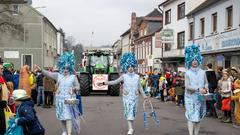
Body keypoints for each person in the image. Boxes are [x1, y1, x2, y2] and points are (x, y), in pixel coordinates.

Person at [98, 52, 149, 135]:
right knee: (128, 112)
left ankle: (131, 126)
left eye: (132, 66)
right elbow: (115, 82)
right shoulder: (124, 76)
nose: (130, 68)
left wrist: (144, 96)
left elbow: (140, 87)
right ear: (126, 67)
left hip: (135, 98)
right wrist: (104, 83)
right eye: (128, 67)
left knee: (132, 113)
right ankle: (130, 129)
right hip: (126, 98)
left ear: (134, 67)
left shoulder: (137, 77)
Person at [35, 51, 81, 135]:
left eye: (67, 68)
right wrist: (41, 70)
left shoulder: (73, 77)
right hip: (59, 100)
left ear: (70, 68)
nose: (65, 70)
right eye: (63, 68)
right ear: (61, 67)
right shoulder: (58, 75)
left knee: (68, 116)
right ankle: (64, 131)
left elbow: (78, 87)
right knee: (61, 117)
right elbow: (49, 74)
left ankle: (69, 133)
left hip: (69, 100)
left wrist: (74, 89)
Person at [184, 45, 208, 135]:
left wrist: (206, 88)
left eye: (196, 60)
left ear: (199, 60)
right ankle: (191, 134)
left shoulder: (203, 72)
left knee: (199, 117)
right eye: (193, 60)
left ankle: (196, 133)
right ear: (190, 61)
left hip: (200, 98)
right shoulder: (187, 73)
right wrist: (198, 89)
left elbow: (206, 82)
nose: (194, 62)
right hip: (190, 97)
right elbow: (187, 86)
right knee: (190, 117)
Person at [0, 63, 9, 135]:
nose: (2, 70)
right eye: (1, 69)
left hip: (2, 105)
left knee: (3, 126)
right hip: (0, 105)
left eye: (2, 68)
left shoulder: (2, 78)